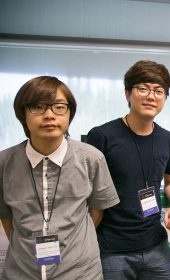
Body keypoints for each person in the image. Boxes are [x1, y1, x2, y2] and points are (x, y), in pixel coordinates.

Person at [0, 76, 119, 279]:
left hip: (80, 272)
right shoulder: (4, 162)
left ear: (69, 112)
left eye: (59, 107)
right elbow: (6, 215)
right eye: (37, 107)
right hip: (21, 272)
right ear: (23, 114)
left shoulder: (91, 158)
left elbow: (96, 211)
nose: (49, 115)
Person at [86, 60, 170, 280]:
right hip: (112, 249)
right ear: (127, 94)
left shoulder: (167, 138)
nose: (151, 96)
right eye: (143, 88)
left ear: (165, 98)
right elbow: (85, 192)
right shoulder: (102, 136)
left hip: (156, 245)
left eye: (158, 91)